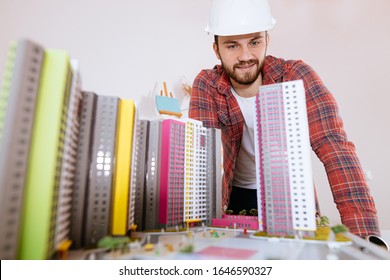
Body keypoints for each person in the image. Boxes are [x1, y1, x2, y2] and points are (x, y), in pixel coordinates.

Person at [189, 0, 383, 242]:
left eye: (255, 42)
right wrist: (197, 233)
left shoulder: (295, 76)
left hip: (289, 202)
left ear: (267, 40)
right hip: (233, 199)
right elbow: (201, 164)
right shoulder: (207, 85)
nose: (246, 56)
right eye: (232, 46)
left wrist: (366, 238)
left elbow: (335, 148)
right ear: (217, 50)